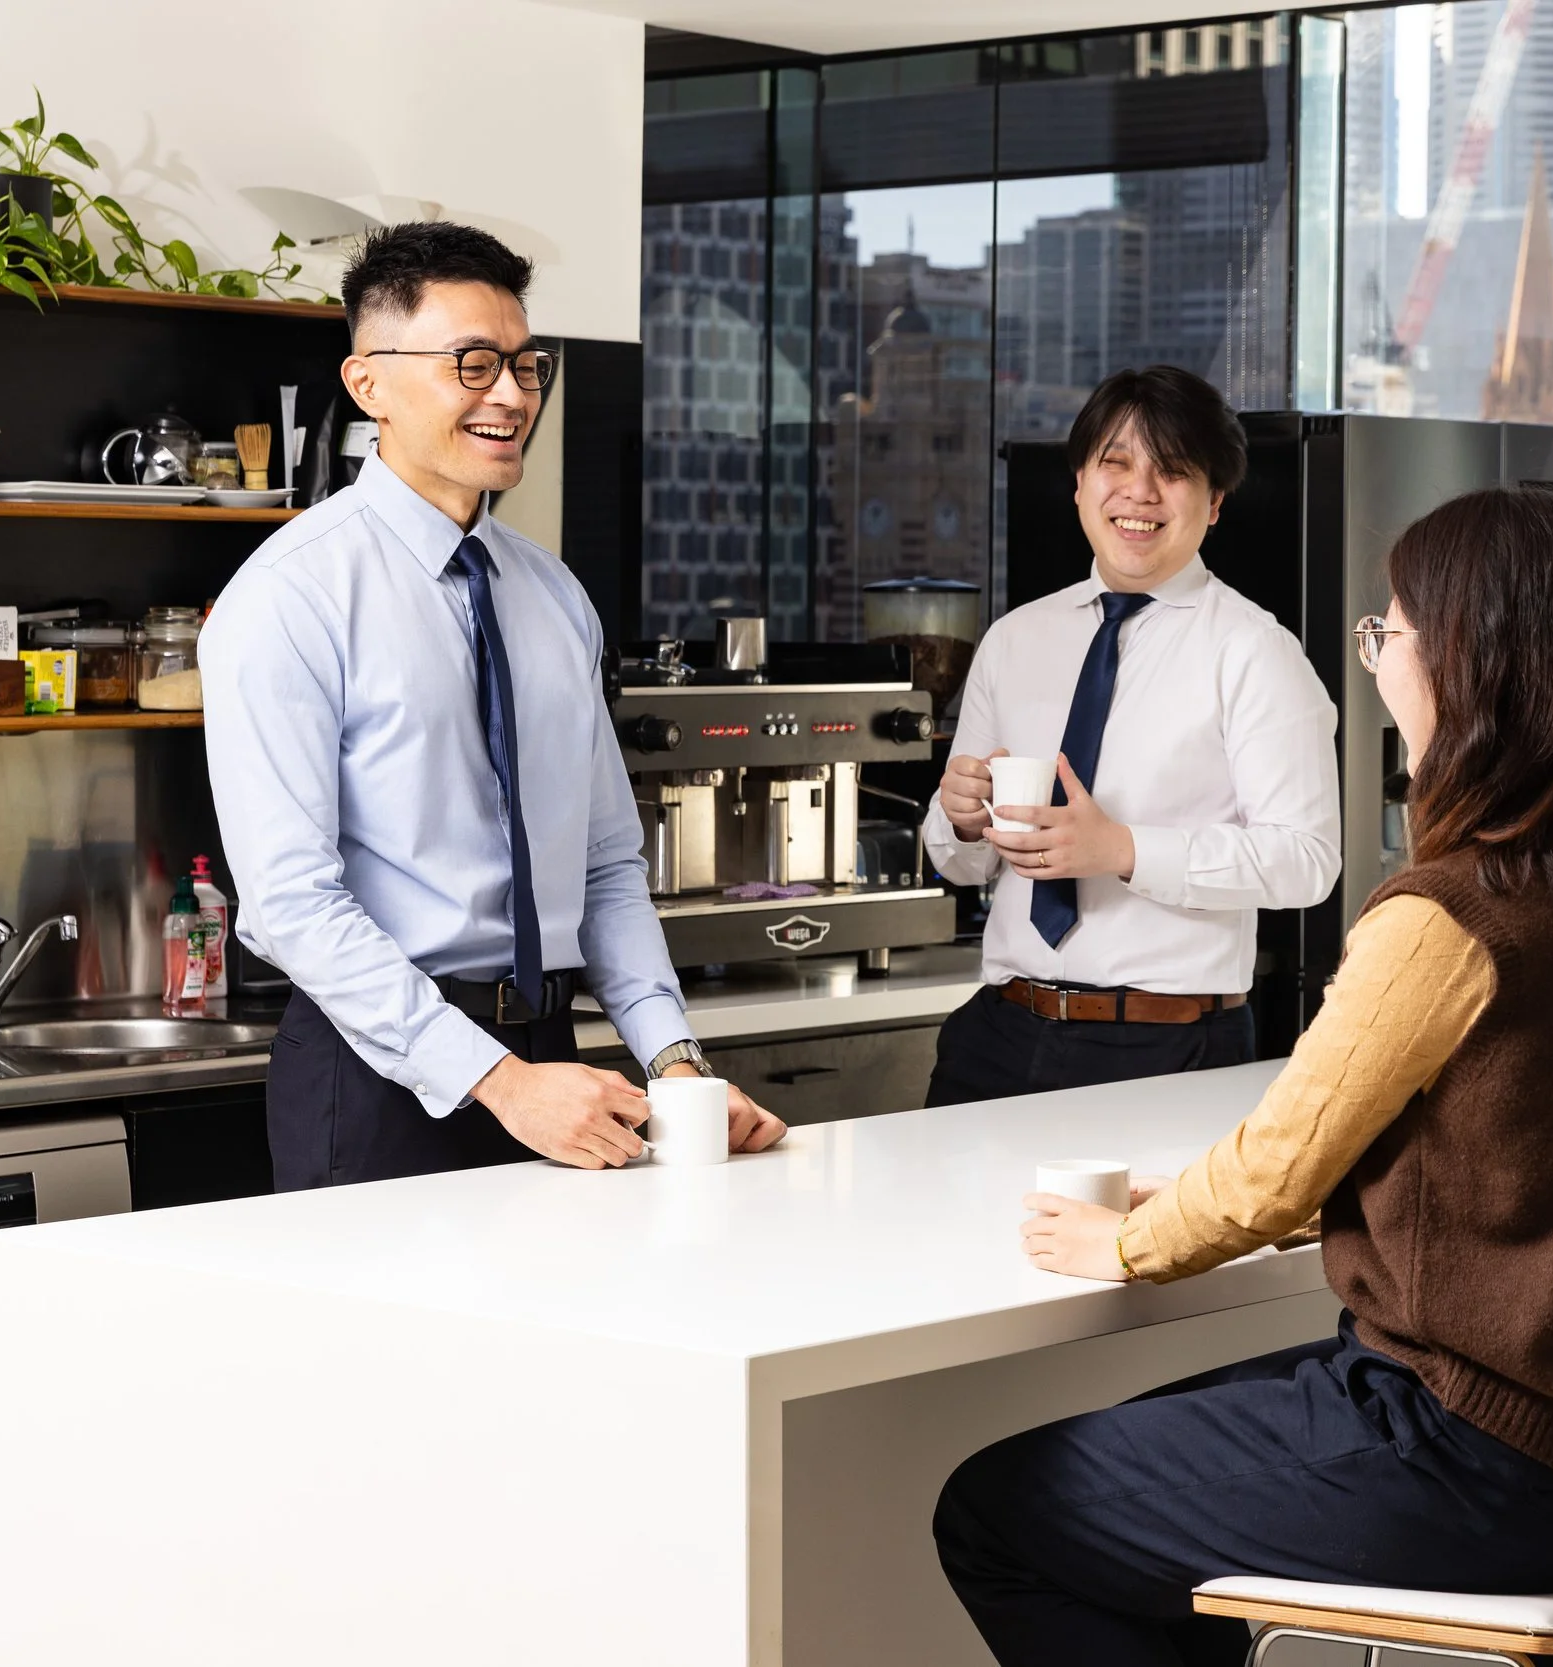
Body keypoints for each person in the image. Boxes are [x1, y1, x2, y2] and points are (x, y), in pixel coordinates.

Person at [932, 486, 1553, 1667]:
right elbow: (1552, 1150)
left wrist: (1118, 1245)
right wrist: (1203, 1198)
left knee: (999, 1509)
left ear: (1471, 664)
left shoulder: (1451, 914)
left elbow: (1276, 1165)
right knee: (1151, 1469)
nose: (1376, 665)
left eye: (1389, 634)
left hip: (1475, 1453)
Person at [200, 222, 783, 1189]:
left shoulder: (553, 594)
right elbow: (291, 903)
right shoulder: (289, 596)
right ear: (368, 385)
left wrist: (675, 1063)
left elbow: (604, 864)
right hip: (379, 1074)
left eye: (526, 365)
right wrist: (497, 1080)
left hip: (556, 1062)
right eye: (473, 365)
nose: (512, 397)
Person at [921, 366, 1339, 1106]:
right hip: (999, 1030)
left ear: (1213, 502)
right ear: (1079, 481)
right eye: (1115, 462)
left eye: (1172, 470)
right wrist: (957, 819)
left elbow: (1307, 860)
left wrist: (1123, 850)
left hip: (1167, 1044)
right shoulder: (1016, 640)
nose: (1139, 492)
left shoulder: (1254, 650)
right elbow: (964, 865)